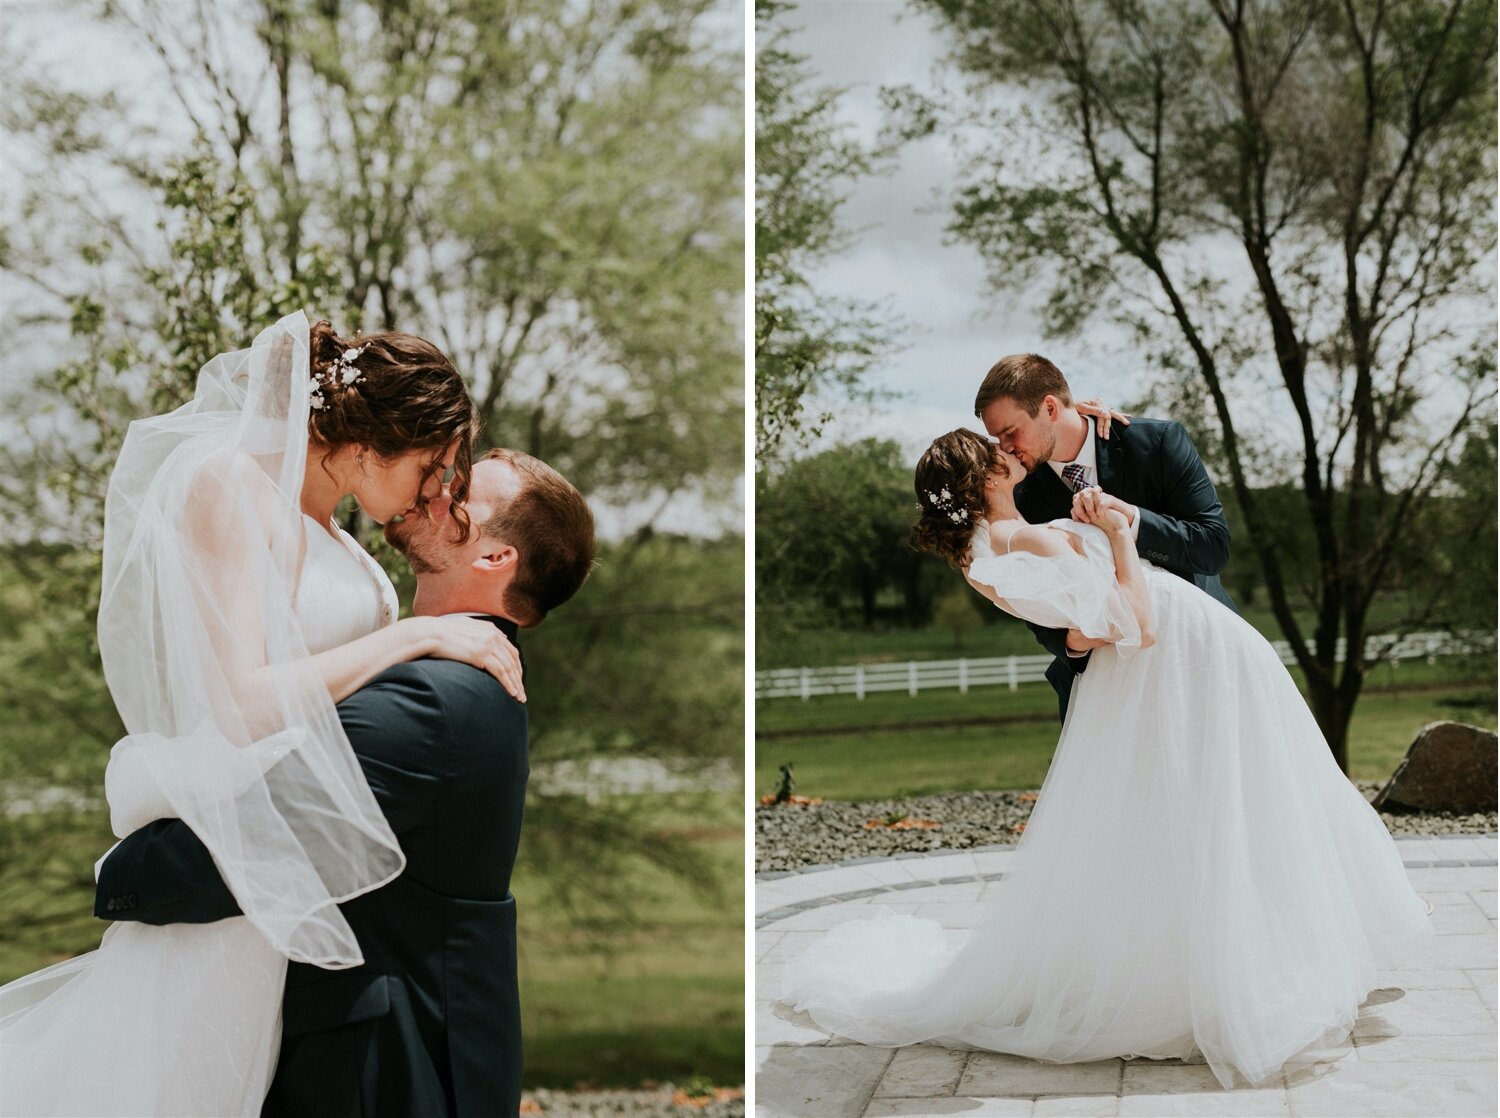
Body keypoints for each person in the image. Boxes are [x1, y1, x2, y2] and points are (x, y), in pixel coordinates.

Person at [779, 428, 1433, 1090]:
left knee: (1190, 814)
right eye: (997, 453)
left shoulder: (987, 550)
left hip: (1165, 669)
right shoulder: (1019, 541)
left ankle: (1198, 967)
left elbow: (1086, 626)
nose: (1012, 454)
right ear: (985, 480)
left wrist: (1089, 556)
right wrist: (1120, 534)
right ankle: (1221, 972)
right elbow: (1136, 622)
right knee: (1246, 801)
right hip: (1177, 658)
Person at [0, 313, 525, 1116]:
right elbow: (243, 704)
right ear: (369, 444)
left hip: (300, 902)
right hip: (240, 880)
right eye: (433, 465)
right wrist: (417, 635)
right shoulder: (229, 483)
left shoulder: (339, 538)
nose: (435, 490)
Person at [93, 449, 596, 1117]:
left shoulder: (432, 701)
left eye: (460, 498)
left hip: (383, 1067)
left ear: (495, 558)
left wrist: (122, 872)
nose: (435, 494)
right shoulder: (452, 676)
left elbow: (255, 850)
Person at [975, 353, 1235, 721]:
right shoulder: (1020, 492)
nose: (1004, 448)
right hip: (1104, 681)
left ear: (1049, 407)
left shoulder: (1155, 443)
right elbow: (1031, 593)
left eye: (1010, 432)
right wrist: (1070, 643)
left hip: (1197, 653)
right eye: (996, 438)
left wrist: (1129, 519)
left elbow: (1213, 546)